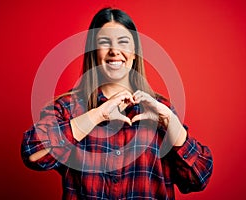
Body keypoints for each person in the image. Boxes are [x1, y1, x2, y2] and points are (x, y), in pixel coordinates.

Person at [21, 7, 213, 199]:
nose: (115, 51)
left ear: (135, 53)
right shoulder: (68, 107)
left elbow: (199, 178)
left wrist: (170, 121)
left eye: (123, 42)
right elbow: (34, 153)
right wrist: (97, 115)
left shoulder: (161, 110)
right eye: (105, 42)